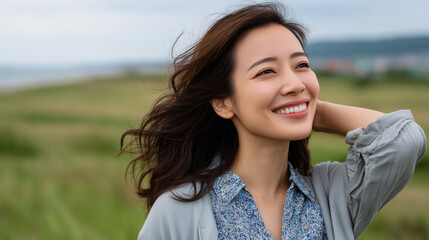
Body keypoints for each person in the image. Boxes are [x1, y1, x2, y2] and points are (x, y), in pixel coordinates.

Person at [120, 3, 427, 240]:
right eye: (266, 71)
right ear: (223, 102)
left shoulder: (331, 193)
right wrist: (295, 105)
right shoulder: (179, 209)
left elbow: (404, 140)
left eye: (301, 65)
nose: (294, 82)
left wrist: (311, 109)